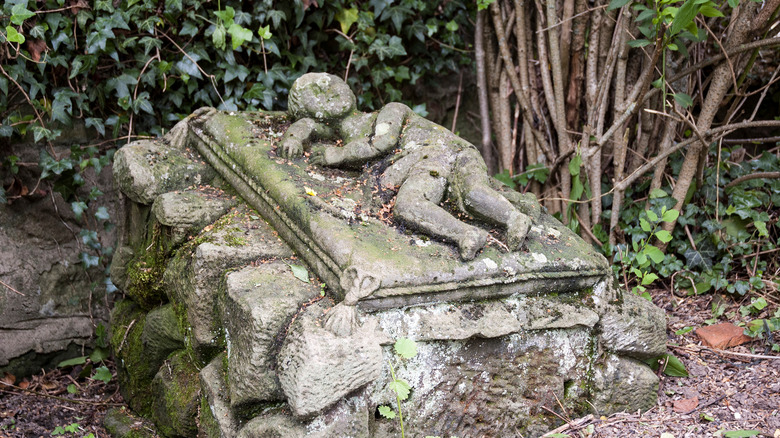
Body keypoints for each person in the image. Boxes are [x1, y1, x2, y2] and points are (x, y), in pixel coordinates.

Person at [280, 73, 531, 260]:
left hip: (450, 151)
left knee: (474, 193)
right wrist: (293, 137)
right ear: (310, 112)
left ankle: (513, 219)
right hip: (424, 166)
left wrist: (339, 154)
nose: (328, 88)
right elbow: (308, 126)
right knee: (408, 204)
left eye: (332, 81)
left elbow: (383, 142)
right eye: (316, 90)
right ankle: (466, 234)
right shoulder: (332, 129)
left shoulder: (391, 109)